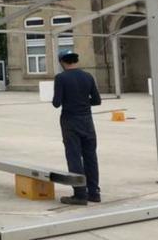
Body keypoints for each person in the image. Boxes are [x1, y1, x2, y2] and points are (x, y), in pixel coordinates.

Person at [52, 48, 102, 205]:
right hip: (87, 120)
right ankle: (93, 192)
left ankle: (80, 194)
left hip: (70, 120)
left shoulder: (61, 78)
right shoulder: (88, 76)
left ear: (62, 62)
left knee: (74, 156)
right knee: (90, 156)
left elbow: (56, 103)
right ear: (75, 60)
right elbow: (97, 100)